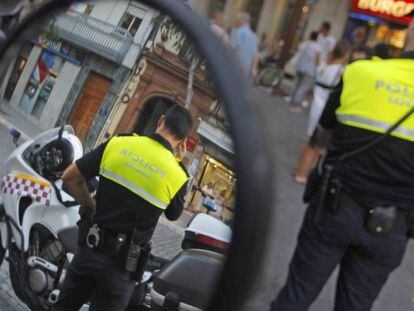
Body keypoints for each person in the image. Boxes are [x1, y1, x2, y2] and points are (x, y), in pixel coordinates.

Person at [271, 18, 414, 311]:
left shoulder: (361, 72)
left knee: (296, 296)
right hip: (392, 226)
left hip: (334, 206)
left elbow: (325, 127)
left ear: (410, 32)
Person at [53, 105, 193, 311]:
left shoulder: (119, 143)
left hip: (90, 249)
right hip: (122, 269)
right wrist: (179, 165)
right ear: (182, 142)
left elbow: (70, 177)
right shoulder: (178, 175)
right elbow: (174, 214)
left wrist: (91, 205)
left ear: (160, 120)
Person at [294, 40, 351, 184]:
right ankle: (302, 173)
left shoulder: (325, 66)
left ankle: (300, 169)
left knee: (312, 142)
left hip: (316, 106)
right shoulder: (341, 71)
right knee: (317, 145)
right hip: (326, 109)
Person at [289, 31, 321, 113]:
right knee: (303, 87)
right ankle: (296, 104)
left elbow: (298, 52)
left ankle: (292, 99)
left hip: (299, 67)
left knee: (297, 84)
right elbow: (317, 61)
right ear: (317, 38)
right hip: (309, 70)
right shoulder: (317, 47)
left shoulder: (304, 44)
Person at [230, 11, 260, 77]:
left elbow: (231, 49)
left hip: (233, 69)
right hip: (245, 73)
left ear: (240, 21)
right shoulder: (254, 36)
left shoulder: (237, 32)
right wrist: (253, 69)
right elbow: (256, 55)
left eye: (236, 20)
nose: (235, 22)